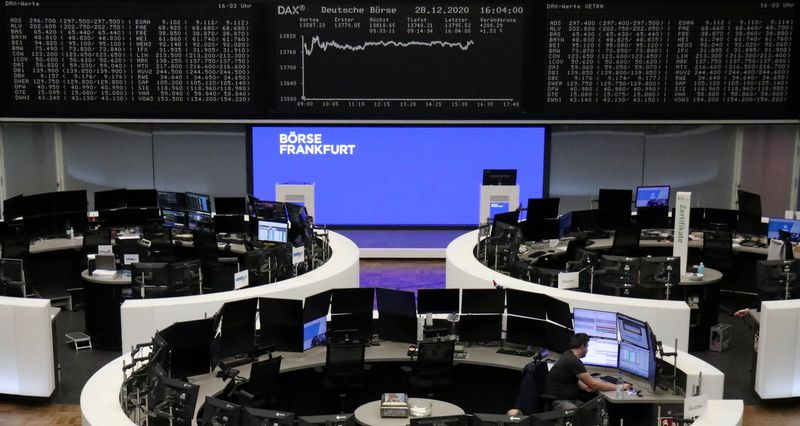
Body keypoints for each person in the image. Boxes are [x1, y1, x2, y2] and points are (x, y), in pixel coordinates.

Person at [545, 333, 630, 410]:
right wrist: (620, 387)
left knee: (594, 409)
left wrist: (585, 387)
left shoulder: (568, 354)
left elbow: (570, 379)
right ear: (582, 347)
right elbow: (594, 384)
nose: (588, 350)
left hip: (564, 398)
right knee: (584, 417)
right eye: (587, 347)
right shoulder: (573, 361)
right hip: (560, 402)